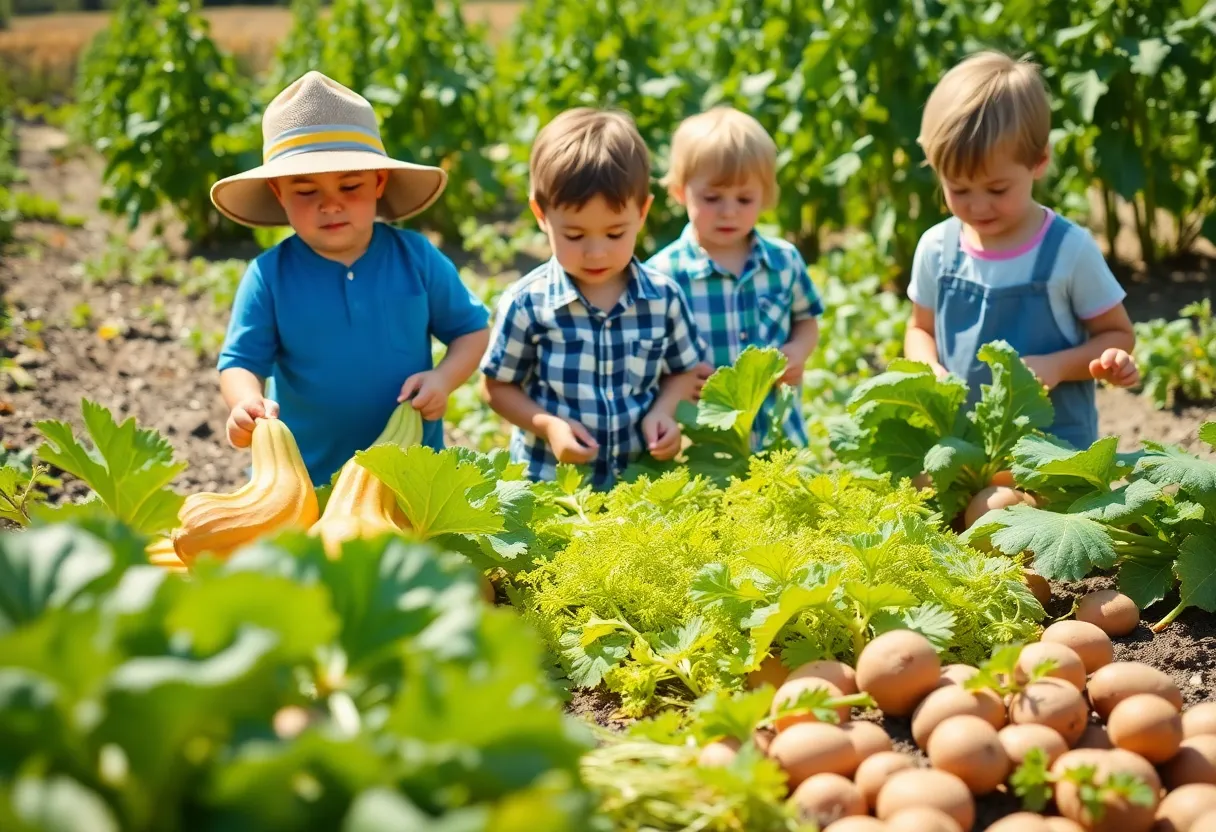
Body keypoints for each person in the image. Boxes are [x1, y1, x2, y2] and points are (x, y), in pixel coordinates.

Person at [210, 71, 490, 485]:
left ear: (379, 182)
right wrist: (246, 402)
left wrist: (442, 380)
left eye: (350, 186)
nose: (331, 205)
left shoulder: (417, 258)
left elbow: (472, 331)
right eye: (307, 192)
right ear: (278, 193)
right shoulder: (269, 275)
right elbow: (239, 362)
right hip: (304, 478)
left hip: (408, 471)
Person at [905, 51, 1139, 449]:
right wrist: (928, 367)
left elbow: (1118, 335)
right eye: (958, 190)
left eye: (997, 190)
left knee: (995, 507)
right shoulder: (937, 249)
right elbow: (919, 329)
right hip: (963, 443)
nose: (978, 207)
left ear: (1039, 160)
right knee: (920, 486)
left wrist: (1062, 366)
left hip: (1051, 447)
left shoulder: (1068, 251)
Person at [480, 107, 703, 489]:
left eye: (615, 233)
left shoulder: (663, 298)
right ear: (541, 214)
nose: (596, 252)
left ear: (643, 212)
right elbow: (496, 387)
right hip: (552, 487)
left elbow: (683, 372)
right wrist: (548, 426)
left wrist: (665, 412)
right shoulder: (527, 303)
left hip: (637, 487)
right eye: (575, 235)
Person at [646, 106, 823, 449]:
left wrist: (797, 351)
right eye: (712, 198)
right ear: (681, 192)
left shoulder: (782, 262)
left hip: (778, 431)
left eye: (744, 199)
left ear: (766, 196)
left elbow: (806, 319)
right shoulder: (663, 275)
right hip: (703, 442)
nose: (729, 211)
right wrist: (679, 374)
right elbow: (647, 349)